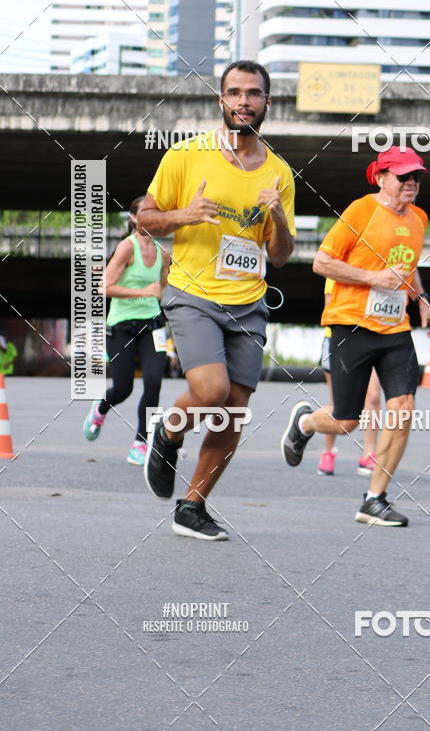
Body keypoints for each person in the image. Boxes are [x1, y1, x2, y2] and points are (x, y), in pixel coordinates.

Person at [138, 60, 296, 541]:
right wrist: (184, 214)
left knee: (233, 410)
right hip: (194, 293)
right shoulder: (187, 156)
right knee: (210, 393)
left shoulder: (279, 173)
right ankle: (168, 432)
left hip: (248, 301)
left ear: (267, 102)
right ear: (221, 101)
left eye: (253, 93)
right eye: (234, 92)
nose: (243, 101)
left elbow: (281, 255)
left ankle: (192, 507)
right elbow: (144, 216)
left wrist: (279, 219)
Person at [281, 146, 430, 527]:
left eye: (416, 176)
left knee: (402, 408)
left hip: (394, 329)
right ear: (381, 177)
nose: (411, 183)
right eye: (403, 176)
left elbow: (409, 266)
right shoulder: (360, 211)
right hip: (351, 323)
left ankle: (375, 498)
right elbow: (322, 262)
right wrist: (371, 278)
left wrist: (423, 302)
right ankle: (304, 424)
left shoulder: (419, 218)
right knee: (346, 420)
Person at [82, 196, 170, 465]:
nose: (151, 218)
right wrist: (143, 292)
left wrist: (158, 296)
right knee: (123, 387)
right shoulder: (126, 248)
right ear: (134, 218)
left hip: (152, 325)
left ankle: (140, 444)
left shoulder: (163, 253)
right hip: (121, 326)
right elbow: (103, 287)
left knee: (154, 383)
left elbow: (163, 287)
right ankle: (100, 407)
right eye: (145, 213)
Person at [316, 277, 381, 476]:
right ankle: (327, 452)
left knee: (372, 397)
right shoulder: (337, 266)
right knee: (338, 402)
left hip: (374, 337)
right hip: (340, 339)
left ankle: (369, 454)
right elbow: (330, 308)